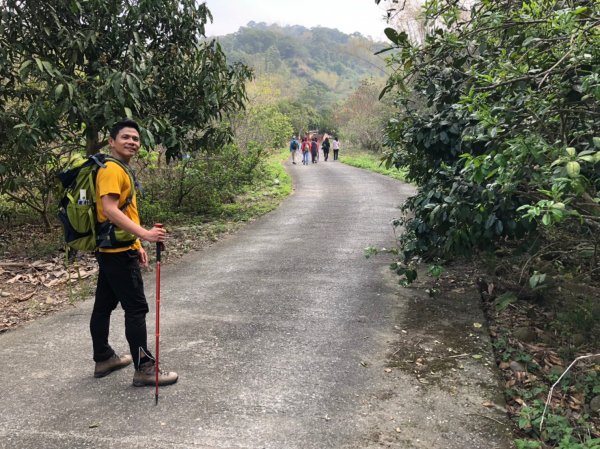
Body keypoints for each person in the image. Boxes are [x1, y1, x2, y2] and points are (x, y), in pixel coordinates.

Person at [91, 119, 178, 387]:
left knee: (104, 305)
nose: (132, 142)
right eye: (126, 137)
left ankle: (104, 358)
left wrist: (137, 244)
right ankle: (145, 368)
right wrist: (145, 234)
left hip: (114, 248)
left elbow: (125, 210)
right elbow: (109, 210)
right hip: (117, 252)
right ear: (111, 141)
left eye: (136, 139)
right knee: (136, 309)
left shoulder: (120, 169)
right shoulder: (110, 170)